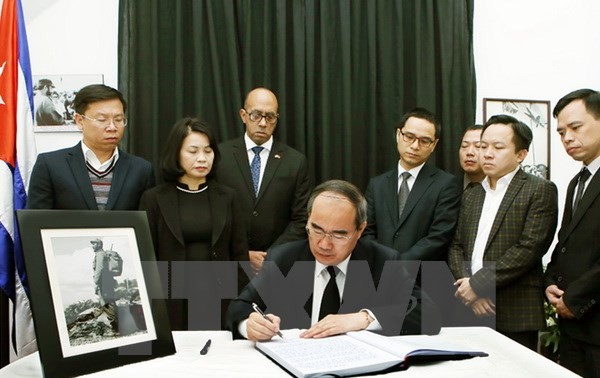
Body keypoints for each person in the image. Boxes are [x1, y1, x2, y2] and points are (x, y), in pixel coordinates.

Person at [226, 180, 441, 341]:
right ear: (308, 220)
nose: (324, 244)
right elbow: (240, 307)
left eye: (339, 234)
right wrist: (249, 325)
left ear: (360, 230)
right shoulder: (284, 259)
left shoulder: (382, 261)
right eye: (317, 229)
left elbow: (429, 314)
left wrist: (363, 319)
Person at [448, 114, 558, 351]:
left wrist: (477, 284)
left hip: (514, 310)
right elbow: (456, 245)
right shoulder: (473, 193)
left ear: (521, 154)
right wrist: (469, 290)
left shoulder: (539, 189)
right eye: (483, 146)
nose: (486, 153)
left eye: (497, 147)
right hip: (468, 306)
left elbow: (529, 248)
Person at [139, 117, 248, 330]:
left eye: (208, 151)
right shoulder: (153, 198)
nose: (202, 158)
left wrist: (242, 305)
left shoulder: (228, 197)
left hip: (219, 298)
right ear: (176, 153)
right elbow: (146, 258)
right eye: (193, 151)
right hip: (171, 300)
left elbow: (239, 254)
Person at [215, 87, 312, 273]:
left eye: (270, 117)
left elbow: (301, 219)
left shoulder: (295, 161)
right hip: (228, 265)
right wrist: (243, 254)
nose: (262, 123)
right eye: (256, 115)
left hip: (279, 267)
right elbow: (213, 212)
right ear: (243, 115)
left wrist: (272, 256)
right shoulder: (220, 156)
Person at [27, 84, 155, 210]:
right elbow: (37, 224)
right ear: (79, 121)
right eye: (101, 119)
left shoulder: (141, 170)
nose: (112, 127)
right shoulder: (50, 165)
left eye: (118, 119)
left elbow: (145, 225)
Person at [544, 89, 600, 377]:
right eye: (561, 131)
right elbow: (564, 242)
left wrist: (574, 299)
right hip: (571, 326)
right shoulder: (577, 181)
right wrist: (551, 280)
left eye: (575, 127)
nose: (566, 137)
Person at [364, 107, 462, 261]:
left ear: (434, 145)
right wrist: (383, 262)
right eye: (409, 137)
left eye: (424, 141)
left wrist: (399, 265)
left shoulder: (446, 184)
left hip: (423, 276)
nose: (415, 146)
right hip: (379, 273)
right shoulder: (377, 185)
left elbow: (439, 236)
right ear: (398, 135)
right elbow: (366, 231)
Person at [91, 238, 118, 333]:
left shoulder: (100, 254)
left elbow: (99, 268)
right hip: (108, 282)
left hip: (103, 282)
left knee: (106, 303)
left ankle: (115, 328)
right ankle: (116, 325)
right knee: (110, 302)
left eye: (94, 244)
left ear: (99, 245)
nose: (92, 246)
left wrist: (96, 281)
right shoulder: (103, 254)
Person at [459, 124, 485, 190]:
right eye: (464, 146)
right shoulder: (448, 187)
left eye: (478, 146)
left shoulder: (500, 189)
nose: (469, 152)